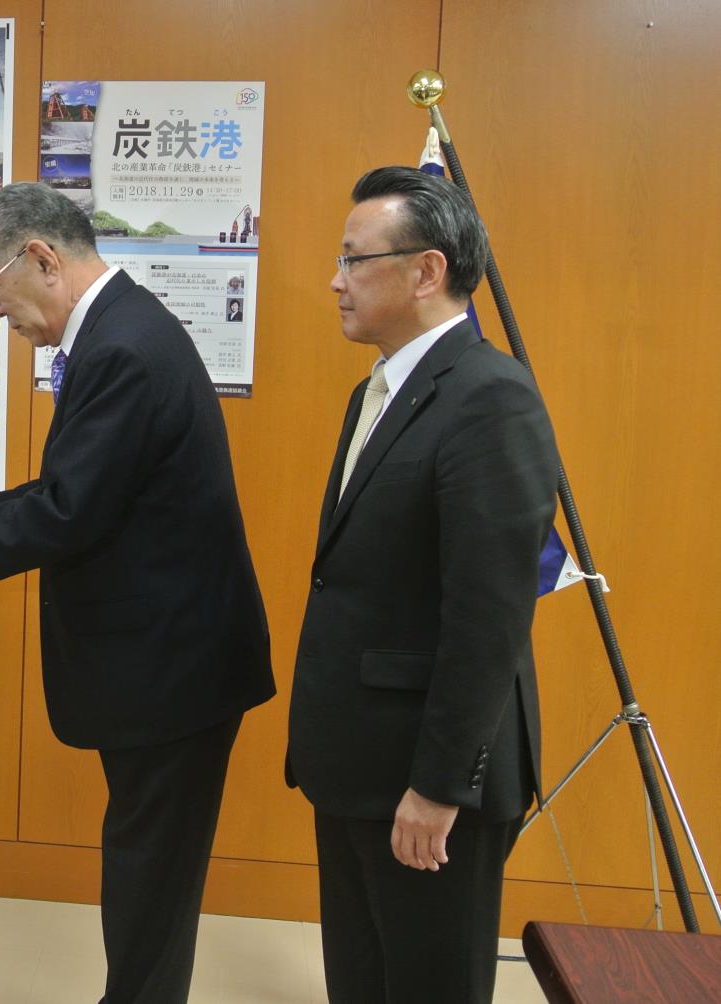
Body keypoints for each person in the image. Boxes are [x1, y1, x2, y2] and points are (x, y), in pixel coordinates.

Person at [0, 182, 274, 1003]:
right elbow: (83, 486)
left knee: (151, 873)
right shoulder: (121, 331)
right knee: (147, 865)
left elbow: (71, 513)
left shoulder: (122, 348)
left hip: (175, 672)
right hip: (172, 661)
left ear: (43, 258)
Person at [286, 167, 559, 1004]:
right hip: (356, 763)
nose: (336, 280)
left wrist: (439, 787)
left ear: (426, 271)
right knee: (363, 983)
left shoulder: (492, 399)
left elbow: (489, 617)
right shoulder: (373, 391)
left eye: (355, 259)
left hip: (431, 781)